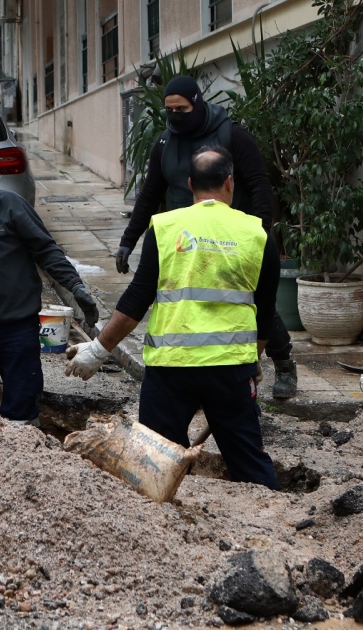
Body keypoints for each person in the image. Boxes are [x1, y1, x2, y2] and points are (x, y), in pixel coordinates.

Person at [66, 147, 280, 490]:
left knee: (154, 463)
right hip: (230, 371)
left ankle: (158, 521)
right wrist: (252, 358)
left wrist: (98, 349)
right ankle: (272, 515)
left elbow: (136, 301)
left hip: (171, 370)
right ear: (230, 182)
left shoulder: (165, 227)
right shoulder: (256, 234)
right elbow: (266, 311)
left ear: (190, 184)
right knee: (250, 464)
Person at [114, 75, 299, 401]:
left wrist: (257, 234)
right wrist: (128, 240)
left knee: (254, 301)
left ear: (198, 104)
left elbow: (260, 185)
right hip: (184, 239)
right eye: (169, 110)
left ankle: (283, 362)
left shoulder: (232, 135)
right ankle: (194, 367)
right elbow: (149, 194)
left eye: (182, 110)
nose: (175, 117)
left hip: (229, 237)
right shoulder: (164, 144)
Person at [0, 151, 99, 425]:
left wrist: (75, 286)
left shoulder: (11, 207)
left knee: (22, 401)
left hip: (17, 327)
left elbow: (46, 251)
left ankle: (25, 448)